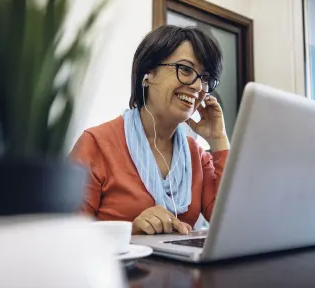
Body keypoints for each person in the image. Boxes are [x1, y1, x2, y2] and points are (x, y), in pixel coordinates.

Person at [69, 25, 229, 235]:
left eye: (205, 78)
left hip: (182, 268)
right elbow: (65, 234)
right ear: (148, 74)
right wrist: (130, 232)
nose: (198, 87)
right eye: (186, 70)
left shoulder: (197, 156)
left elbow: (231, 221)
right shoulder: (96, 143)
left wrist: (219, 139)